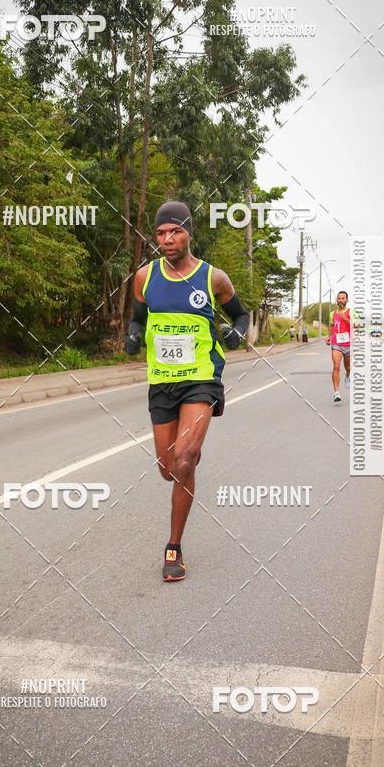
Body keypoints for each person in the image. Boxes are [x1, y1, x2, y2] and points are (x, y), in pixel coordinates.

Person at [124, 201, 250, 581]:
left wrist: (236, 333)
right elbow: (137, 318)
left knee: (184, 459)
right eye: (161, 233)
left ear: (189, 232)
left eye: (175, 232)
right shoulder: (145, 278)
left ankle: (173, 547)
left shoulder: (214, 278)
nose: (167, 239)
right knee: (168, 470)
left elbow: (242, 315)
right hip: (162, 381)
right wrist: (132, 335)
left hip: (201, 377)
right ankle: (186, 457)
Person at [325, 290, 351, 403]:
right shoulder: (332, 313)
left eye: (343, 298)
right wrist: (329, 336)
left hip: (348, 343)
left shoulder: (351, 312)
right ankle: (336, 393)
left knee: (348, 367)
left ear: (346, 300)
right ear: (337, 300)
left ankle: (348, 375)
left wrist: (343, 317)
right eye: (339, 298)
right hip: (336, 343)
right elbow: (331, 326)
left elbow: (356, 325)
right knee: (336, 366)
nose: (341, 300)